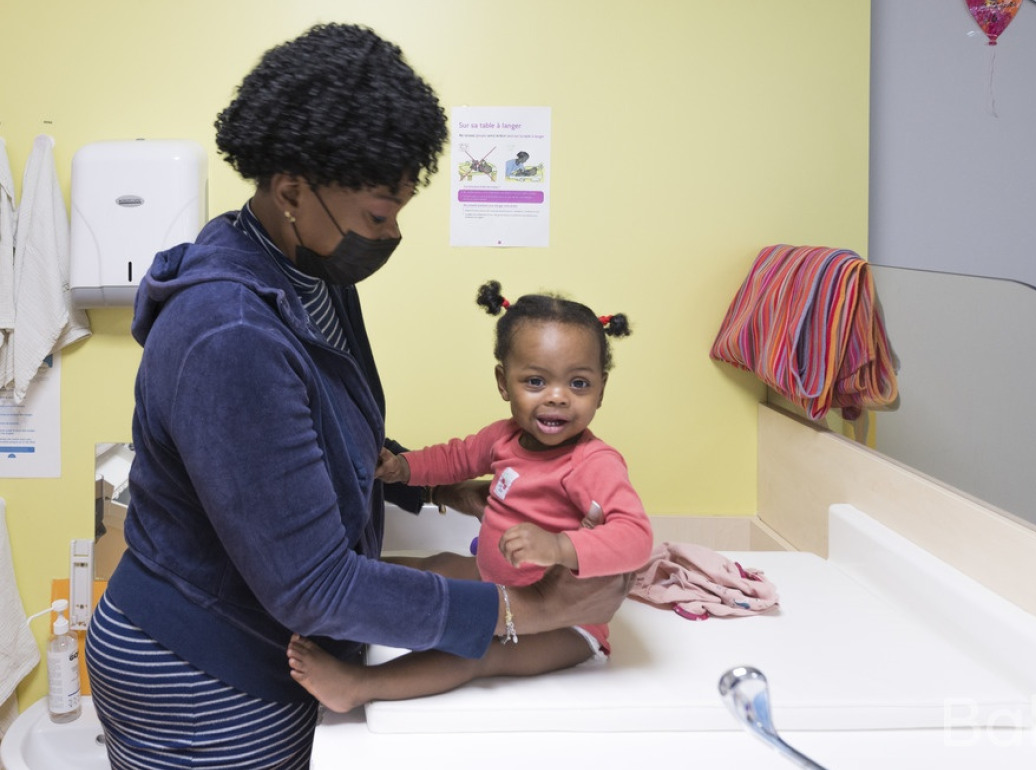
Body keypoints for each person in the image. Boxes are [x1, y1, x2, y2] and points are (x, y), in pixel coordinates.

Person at [84, 24, 628, 770]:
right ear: (292, 189)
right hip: (204, 667)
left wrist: (443, 492)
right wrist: (531, 611)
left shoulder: (301, 271)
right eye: (378, 215)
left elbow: (316, 438)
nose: (391, 233)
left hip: (249, 638)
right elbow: (315, 584)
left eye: (400, 209)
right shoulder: (230, 331)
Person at [286, 280, 652, 711]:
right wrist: (405, 468)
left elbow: (636, 536)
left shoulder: (592, 462)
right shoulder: (504, 437)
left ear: (601, 389)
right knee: (435, 565)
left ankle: (358, 686)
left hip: (566, 624)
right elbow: (456, 458)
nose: (557, 397)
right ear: (504, 382)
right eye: (536, 381)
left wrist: (558, 546)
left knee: (477, 650)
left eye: (579, 384)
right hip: (498, 580)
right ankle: (338, 594)